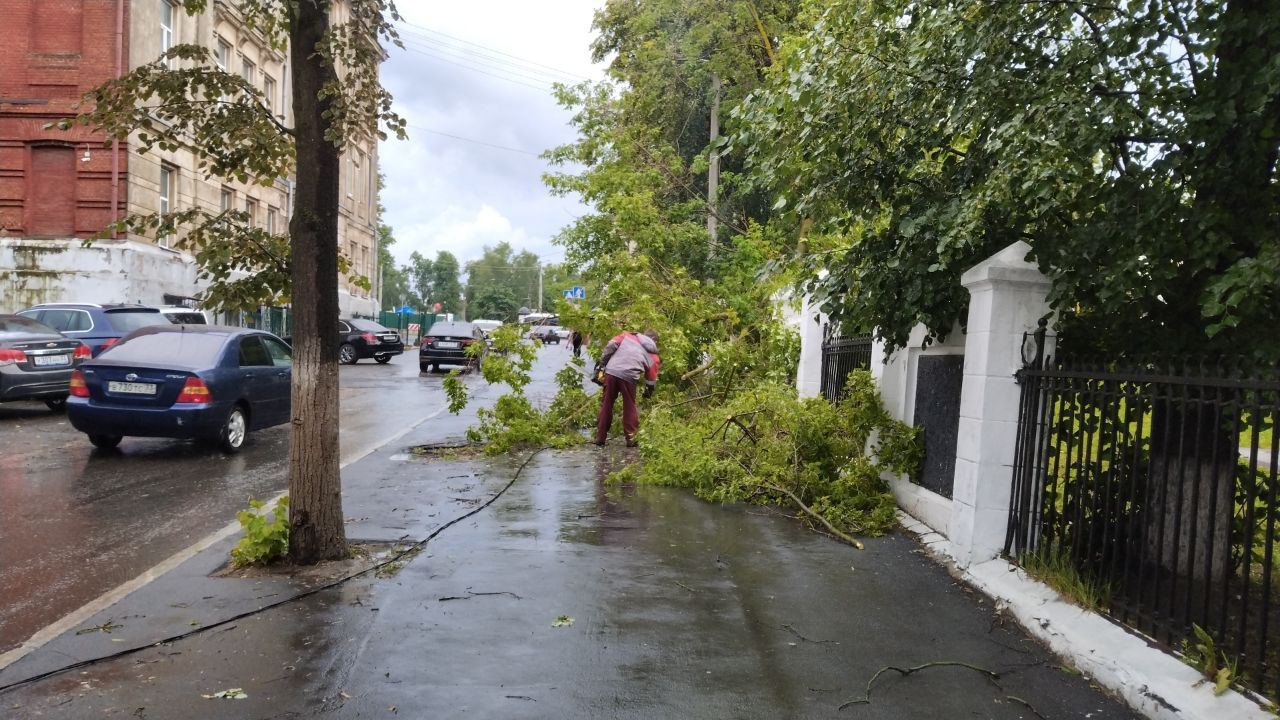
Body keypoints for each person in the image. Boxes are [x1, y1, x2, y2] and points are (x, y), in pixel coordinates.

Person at [594, 329, 660, 447]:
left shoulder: (626, 336)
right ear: (654, 340)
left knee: (606, 404)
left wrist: (600, 367)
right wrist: (648, 392)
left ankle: (600, 437)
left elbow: (610, 346)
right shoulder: (653, 355)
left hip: (611, 372)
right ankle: (631, 438)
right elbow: (651, 378)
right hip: (629, 377)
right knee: (630, 407)